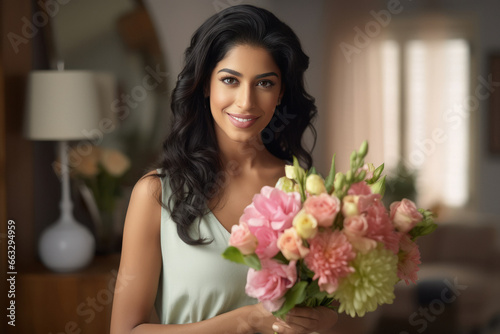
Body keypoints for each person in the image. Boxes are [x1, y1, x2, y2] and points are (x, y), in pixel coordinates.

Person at [110, 4, 338, 334]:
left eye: (264, 83)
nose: (246, 102)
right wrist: (247, 319)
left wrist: (327, 318)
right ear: (205, 85)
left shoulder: (308, 191)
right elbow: (125, 332)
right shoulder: (156, 194)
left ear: (281, 91)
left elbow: (335, 306)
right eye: (230, 80)